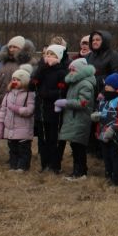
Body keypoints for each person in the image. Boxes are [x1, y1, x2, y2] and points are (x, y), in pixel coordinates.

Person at [0, 36, 34, 156]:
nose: (12, 49)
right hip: (1, 99)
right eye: (10, 46)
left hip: (18, 100)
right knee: (1, 125)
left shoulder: (27, 63)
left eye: (15, 47)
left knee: (17, 128)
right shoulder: (3, 63)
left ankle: (20, 156)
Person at [56, 57, 97, 181]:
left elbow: (83, 102)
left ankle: (80, 172)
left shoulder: (85, 84)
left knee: (79, 147)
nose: (71, 72)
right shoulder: (75, 83)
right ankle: (77, 170)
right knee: (75, 145)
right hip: (73, 119)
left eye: (74, 70)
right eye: (71, 70)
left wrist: (66, 102)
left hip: (80, 119)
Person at [32, 44, 68, 173]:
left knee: (54, 139)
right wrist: (40, 71)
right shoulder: (41, 70)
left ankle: (55, 165)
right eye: (47, 54)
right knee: (43, 139)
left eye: (52, 54)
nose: (48, 57)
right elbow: (33, 85)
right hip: (41, 110)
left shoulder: (62, 72)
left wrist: (47, 94)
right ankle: (44, 164)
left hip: (54, 111)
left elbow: (62, 90)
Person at [91, 72, 118, 186]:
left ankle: (116, 177)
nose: (106, 87)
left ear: (116, 86)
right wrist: (97, 115)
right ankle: (108, 174)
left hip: (114, 134)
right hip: (103, 132)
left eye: (109, 85)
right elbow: (102, 112)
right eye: (106, 84)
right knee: (106, 155)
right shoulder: (104, 99)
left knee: (114, 155)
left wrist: (114, 128)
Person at [0, 64, 36, 172]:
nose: (15, 81)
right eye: (13, 79)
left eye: (18, 80)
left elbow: (30, 110)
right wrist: (0, 123)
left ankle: (23, 166)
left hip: (23, 128)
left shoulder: (29, 94)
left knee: (23, 149)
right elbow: (3, 109)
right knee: (12, 148)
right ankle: (13, 166)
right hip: (10, 128)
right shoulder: (9, 94)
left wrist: (16, 109)